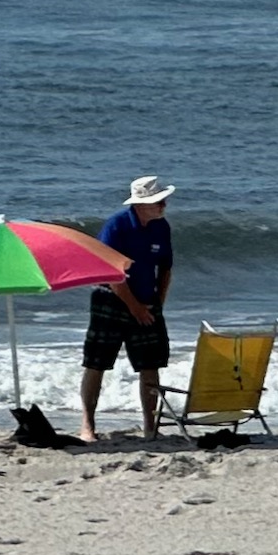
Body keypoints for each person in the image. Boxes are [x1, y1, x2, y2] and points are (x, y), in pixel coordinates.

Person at [80, 175, 175, 442]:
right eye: (158, 201)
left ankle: (149, 426)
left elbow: (166, 267)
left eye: (163, 200)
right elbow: (111, 273)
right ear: (140, 205)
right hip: (110, 298)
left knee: (150, 364)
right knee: (96, 363)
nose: (164, 205)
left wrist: (158, 302)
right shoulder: (117, 226)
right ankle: (87, 425)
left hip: (146, 300)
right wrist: (134, 307)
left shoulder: (161, 227)